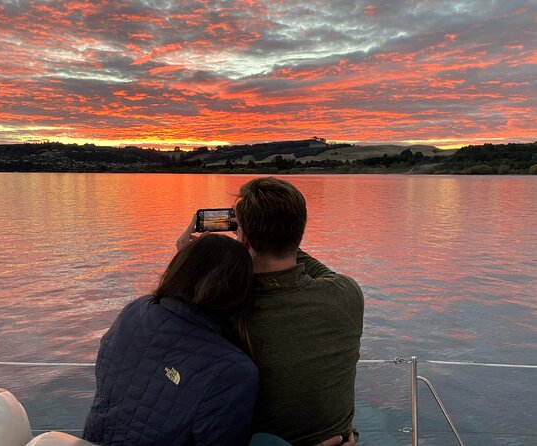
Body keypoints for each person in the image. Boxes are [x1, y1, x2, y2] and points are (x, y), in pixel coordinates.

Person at [82, 233, 259, 446]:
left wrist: (189, 255)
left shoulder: (135, 311)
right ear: (240, 291)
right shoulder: (234, 371)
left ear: (180, 271)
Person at [233, 177, 364, 446]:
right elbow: (316, 269)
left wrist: (194, 259)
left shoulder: (225, 311)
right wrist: (279, 228)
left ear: (243, 236)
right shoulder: (346, 296)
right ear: (300, 231)